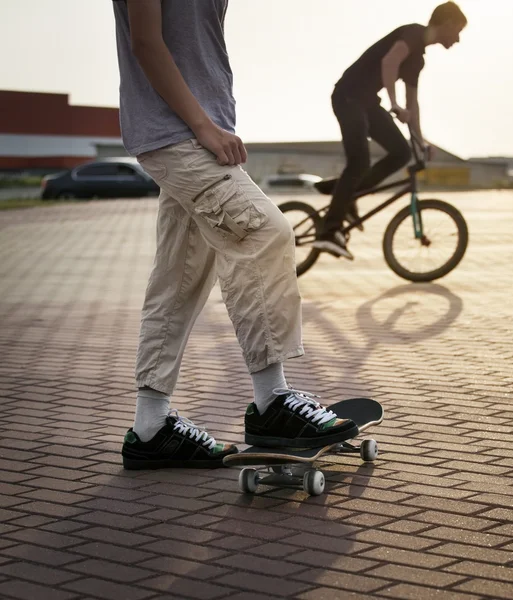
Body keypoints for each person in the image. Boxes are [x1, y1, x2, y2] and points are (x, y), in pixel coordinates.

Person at [113, 0, 359, 470]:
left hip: (198, 129)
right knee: (264, 234)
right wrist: (204, 127)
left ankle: (150, 427)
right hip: (180, 134)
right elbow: (145, 40)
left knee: (179, 281)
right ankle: (273, 403)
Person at [313, 2, 467, 260]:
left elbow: (413, 105)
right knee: (359, 160)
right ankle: (329, 231)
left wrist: (421, 141)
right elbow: (390, 60)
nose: (459, 39)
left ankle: (346, 191)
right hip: (348, 97)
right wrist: (394, 104)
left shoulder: (418, 61)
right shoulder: (414, 33)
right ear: (448, 23)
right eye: (459, 31)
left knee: (401, 152)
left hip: (368, 102)